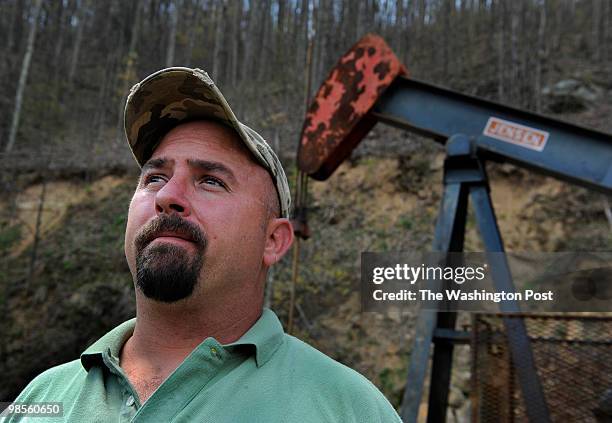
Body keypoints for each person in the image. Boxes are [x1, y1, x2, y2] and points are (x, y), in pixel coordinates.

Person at [7, 67, 402, 422]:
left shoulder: (349, 409)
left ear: (273, 240)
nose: (168, 196)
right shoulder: (41, 399)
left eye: (211, 180)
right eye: (154, 178)